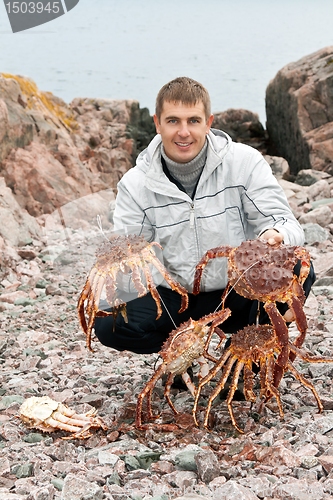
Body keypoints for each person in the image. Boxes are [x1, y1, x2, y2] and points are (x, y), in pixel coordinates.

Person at [94, 77, 315, 354]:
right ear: (157, 123)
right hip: (174, 299)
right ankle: (178, 351)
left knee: (296, 270)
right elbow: (130, 256)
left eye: (193, 121)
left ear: (208, 122)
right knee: (109, 320)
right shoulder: (135, 184)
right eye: (173, 121)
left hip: (237, 291)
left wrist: (275, 235)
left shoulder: (244, 163)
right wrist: (121, 267)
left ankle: (250, 348)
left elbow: (284, 221)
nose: (183, 132)